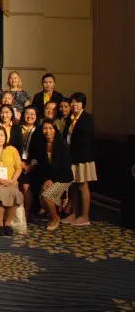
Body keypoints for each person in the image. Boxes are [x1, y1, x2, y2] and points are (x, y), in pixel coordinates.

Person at [29, 119, 73, 231]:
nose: (47, 131)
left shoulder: (62, 144)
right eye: (45, 128)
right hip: (49, 177)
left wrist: (52, 180)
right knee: (42, 199)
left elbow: (64, 167)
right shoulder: (42, 144)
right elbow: (41, 164)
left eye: (50, 128)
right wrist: (46, 179)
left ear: (55, 130)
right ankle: (56, 207)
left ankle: (55, 218)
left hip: (63, 178)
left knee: (47, 196)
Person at [62, 92, 97, 226]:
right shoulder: (71, 119)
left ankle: (85, 216)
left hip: (83, 158)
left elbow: (86, 139)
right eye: (72, 102)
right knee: (74, 186)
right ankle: (75, 214)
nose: (74, 104)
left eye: (77, 102)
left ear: (83, 104)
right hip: (72, 157)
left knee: (83, 185)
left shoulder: (87, 118)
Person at [18, 106, 39, 217]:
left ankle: (26, 213)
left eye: (32, 114)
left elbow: (40, 151)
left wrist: (31, 165)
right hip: (18, 161)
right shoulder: (17, 128)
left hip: (33, 162)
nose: (29, 116)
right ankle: (18, 212)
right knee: (18, 186)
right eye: (27, 113)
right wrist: (18, 162)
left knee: (26, 187)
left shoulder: (39, 130)